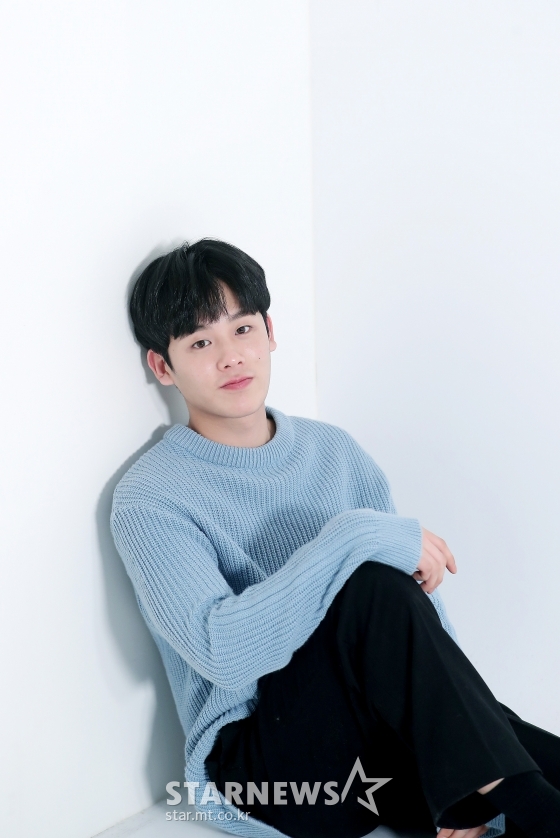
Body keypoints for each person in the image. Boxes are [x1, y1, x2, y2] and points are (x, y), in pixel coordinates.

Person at [110, 238, 560, 838]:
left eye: (242, 329)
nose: (231, 357)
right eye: (200, 343)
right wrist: (351, 538)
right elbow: (222, 653)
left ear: (270, 331)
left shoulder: (334, 452)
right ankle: (515, 801)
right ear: (162, 367)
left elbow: (416, 626)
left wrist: (460, 741)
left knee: (537, 762)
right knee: (370, 583)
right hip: (268, 777)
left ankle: (491, 798)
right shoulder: (151, 497)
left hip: (369, 748)